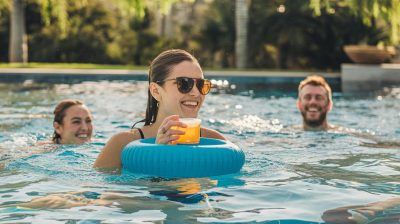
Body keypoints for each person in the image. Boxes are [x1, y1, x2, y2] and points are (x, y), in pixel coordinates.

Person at [94, 49, 225, 170]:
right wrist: (157, 155)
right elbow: (99, 193)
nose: (196, 93)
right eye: (184, 83)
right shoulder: (122, 144)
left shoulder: (215, 142)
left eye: (201, 84)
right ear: (156, 91)